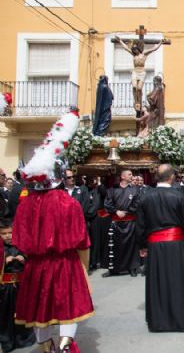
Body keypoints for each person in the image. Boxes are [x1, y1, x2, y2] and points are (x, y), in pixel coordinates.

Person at [13, 109, 93, 353]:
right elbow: (81, 238)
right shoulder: (69, 203)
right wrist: (84, 264)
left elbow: (17, 238)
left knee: (40, 309)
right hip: (64, 262)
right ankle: (66, 345)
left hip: (36, 265)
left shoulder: (25, 205)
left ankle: (46, 346)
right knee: (68, 305)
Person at [137, 164, 184, 332]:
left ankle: (159, 321)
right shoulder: (178, 196)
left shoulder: (145, 197)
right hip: (176, 245)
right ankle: (179, 319)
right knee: (177, 280)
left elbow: (141, 225)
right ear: (171, 177)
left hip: (155, 246)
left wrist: (142, 245)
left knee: (158, 281)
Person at [0, 219, 35, 352]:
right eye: (4, 233)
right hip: (5, 288)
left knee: (22, 314)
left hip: (21, 287)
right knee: (6, 316)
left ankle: (24, 339)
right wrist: (4, 260)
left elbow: (31, 261)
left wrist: (24, 258)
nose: (8, 236)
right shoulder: (1, 249)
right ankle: (7, 342)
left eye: (10, 232)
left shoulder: (20, 245)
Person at [115, 36, 168, 111]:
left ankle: (139, 101)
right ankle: (136, 101)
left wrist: (160, 43)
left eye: (135, 49)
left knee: (139, 88)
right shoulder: (134, 54)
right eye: (133, 50)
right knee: (134, 86)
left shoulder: (145, 54)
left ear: (138, 49)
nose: (134, 51)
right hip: (135, 72)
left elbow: (154, 49)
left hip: (142, 72)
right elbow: (126, 48)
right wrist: (120, 41)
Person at [103, 170, 140, 277]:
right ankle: (113, 269)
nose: (132, 176)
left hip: (129, 222)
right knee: (114, 246)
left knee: (131, 246)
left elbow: (137, 204)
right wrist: (116, 211)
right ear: (123, 176)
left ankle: (132, 268)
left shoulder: (135, 190)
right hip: (116, 223)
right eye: (129, 174)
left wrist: (127, 212)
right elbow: (107, 204)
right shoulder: (112, 190)